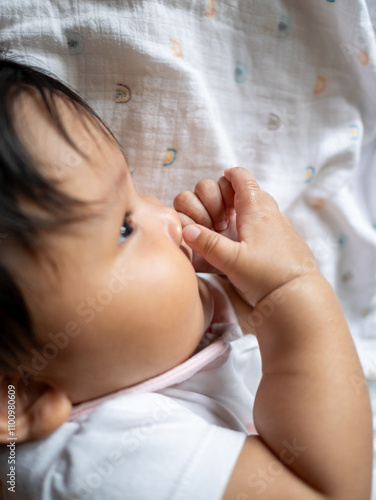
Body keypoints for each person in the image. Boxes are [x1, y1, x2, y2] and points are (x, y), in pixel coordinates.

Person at [0, 58, 372, 500]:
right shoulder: (109, 461)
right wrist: (292, 290)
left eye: (136, 188)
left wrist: (247, 301)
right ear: (20, 395)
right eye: (124, 227)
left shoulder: (114, 391)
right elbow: (337, 491)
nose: (169, 217)